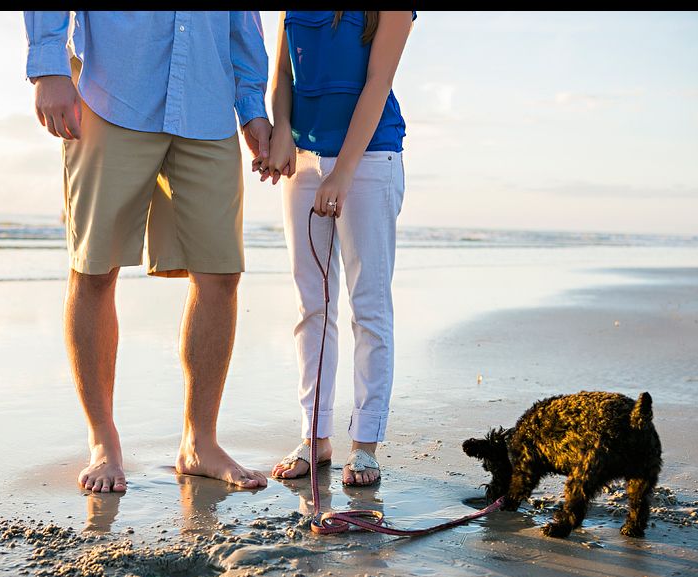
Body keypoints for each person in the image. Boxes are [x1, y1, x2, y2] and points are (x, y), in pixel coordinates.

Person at [23, 11, 273, 492]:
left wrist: (252, 104)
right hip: (110, 90)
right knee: (95, 268)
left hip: (207, 97)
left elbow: (245, 20)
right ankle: (103, 441)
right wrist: (48, 67)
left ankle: (199, 442)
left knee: (221, 273)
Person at [264, 11, 414, 486]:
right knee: (313, 304)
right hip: (304, 162)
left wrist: (344, 170)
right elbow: (282, 78)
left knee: (368, 304)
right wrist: (281, 130)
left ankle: (365, 445)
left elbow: (377, 83)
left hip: (370, 158)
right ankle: (315, 437)